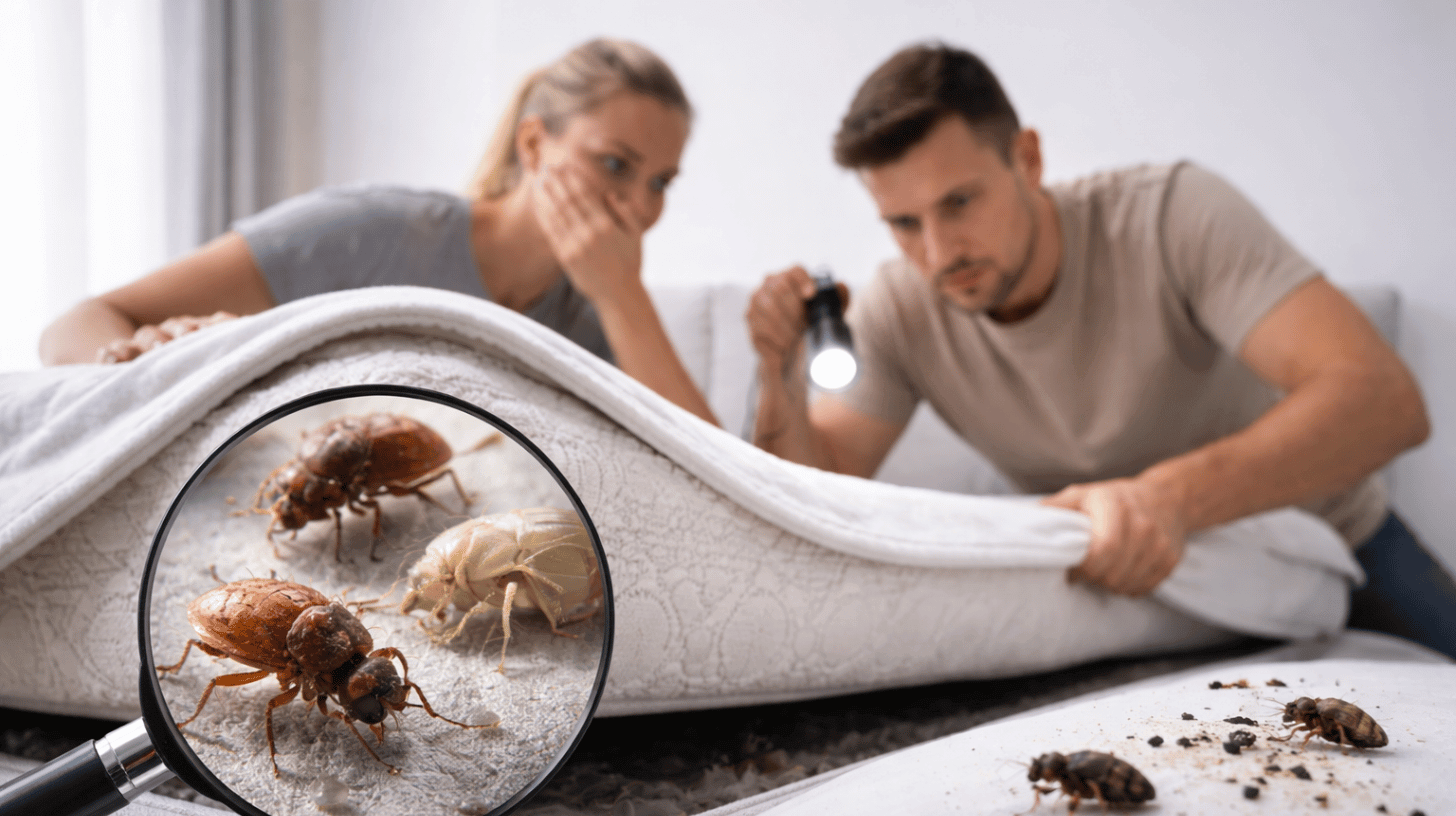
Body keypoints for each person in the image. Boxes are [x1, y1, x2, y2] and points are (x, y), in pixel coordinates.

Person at [746, 42, 1456, 657]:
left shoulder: (1171, 215)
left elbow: (1383, 400)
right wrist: (779, 382)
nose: (938, 252)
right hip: (1129, 592)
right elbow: (820, 494)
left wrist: (1165, 499)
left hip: (1333, 542)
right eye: (904, 223)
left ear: (1027, 158)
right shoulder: (901, 304)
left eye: (960, 203)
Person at [39, 38, 718, 426]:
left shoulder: (594, 319)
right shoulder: (373, 231)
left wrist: (622, 294)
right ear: (535, 145)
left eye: (660, 183)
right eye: (614, 165)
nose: (635, 206)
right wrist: (138, 378)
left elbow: (725, 477)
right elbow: (80, 323)